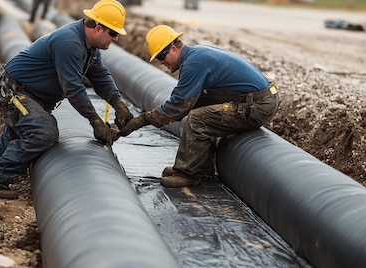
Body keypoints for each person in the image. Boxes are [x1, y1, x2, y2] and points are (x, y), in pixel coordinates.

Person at [0, 0, 133, 199]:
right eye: (113, 33)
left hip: (27, 94)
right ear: (98, 28)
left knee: (15, 135)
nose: (116, 39)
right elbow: (73, 89)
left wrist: (118, 104)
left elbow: (101, 77)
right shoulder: (70, 43)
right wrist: (95, 121)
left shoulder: (90, 48)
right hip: (16, 93)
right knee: (43, 133)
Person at [118, 25, 279, 188]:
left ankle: (189, 173)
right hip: (252, 99)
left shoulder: (194, 64)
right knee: (198, 108)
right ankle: (202, 166)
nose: (161, 62)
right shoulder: (194, 55)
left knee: (198, 119)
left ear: (173, 48)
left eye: (161, 56)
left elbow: (177, 106)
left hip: (258, 105)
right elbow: (185, 102)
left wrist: (140, 121)